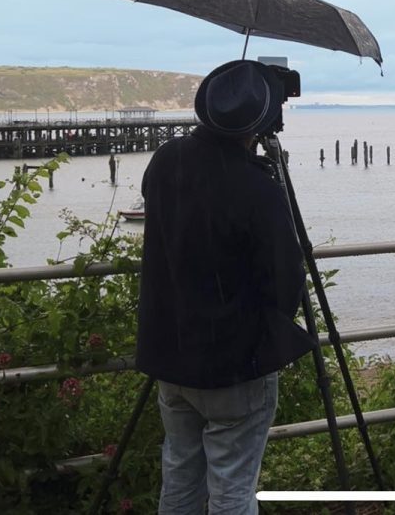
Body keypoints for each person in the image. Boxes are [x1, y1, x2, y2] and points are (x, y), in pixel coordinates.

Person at [136, 59, 315, 514]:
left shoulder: (165, 160)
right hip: (235, 362)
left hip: (172, 354)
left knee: (179, 473)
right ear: (262, 118)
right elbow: (287, 278)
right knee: (233, 485)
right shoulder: (256, 186)